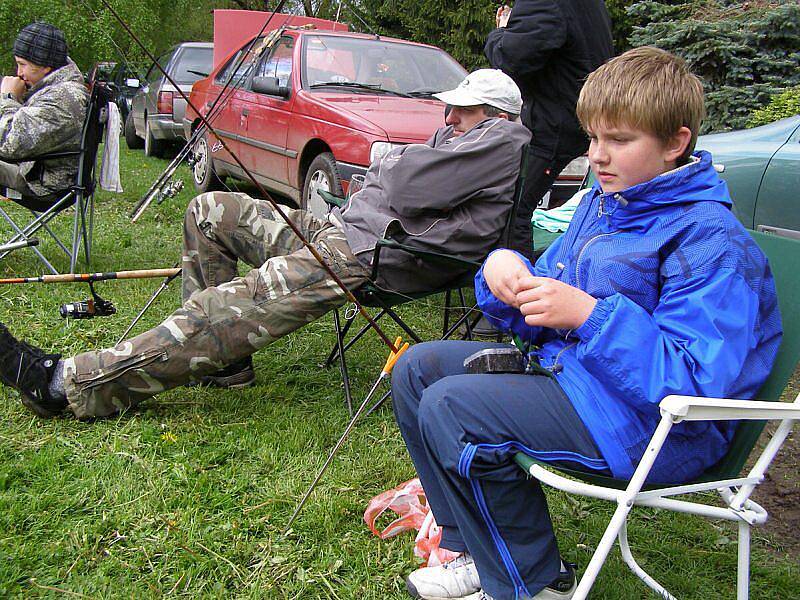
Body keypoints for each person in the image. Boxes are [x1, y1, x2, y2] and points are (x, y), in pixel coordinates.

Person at [391, 47, 782, 600]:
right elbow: (545, 299)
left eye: (619, 141)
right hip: (577, 377)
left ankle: (532, 585)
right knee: (417, 370)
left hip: (658, 429)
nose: (597, 156)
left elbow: (697, 380)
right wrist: (505, 276)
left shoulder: (710, 241)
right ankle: (475, 551)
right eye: (594, 137)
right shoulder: (605, 203)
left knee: (456, 409)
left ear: (676, 142)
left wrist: (591, 317)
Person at [0, 68, 531, 420]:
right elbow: (395, 179)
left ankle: (70, 385)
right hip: (344, 231)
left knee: (224, 308)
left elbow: (405, 182)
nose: (450, 117)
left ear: (498, 114)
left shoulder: (501, 139)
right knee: (211, 210)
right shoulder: (463, 136)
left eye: (465, 109)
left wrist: (390, 166)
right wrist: (391, 170)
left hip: (372, 257)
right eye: (453, 108)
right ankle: (227, 363)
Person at [484, 0, 613, 260]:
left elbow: (510, 59)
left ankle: (518, 293)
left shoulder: (544, 2)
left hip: (555, 123)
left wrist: (501, 32)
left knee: (512, 208)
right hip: (581, 114)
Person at [0, 22, 88, 210]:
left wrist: (8, 97)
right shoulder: (57, 90)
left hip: (42, 186)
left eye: (22, 65)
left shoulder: (63, 98)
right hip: (36, 171)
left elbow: (8, 144)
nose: (18, 73)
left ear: (46, 66)